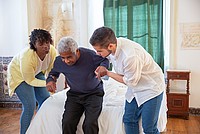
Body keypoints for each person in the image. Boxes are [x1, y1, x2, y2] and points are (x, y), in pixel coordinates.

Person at [89, 26, 165, 134]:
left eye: (99, 51)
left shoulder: (130, 56)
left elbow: (130, 82)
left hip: (151, 87)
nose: (98, 53)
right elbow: (106, 58)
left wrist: (108, 73)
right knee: (129, 120)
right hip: (135, 86)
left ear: (110, 46)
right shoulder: (113, 47)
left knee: (149, 128)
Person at [46, 36, 109, 134]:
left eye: (69, 57)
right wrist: (50, 80)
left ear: (77, 51)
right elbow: (53, 73)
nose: (66, 61)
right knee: (67, 122)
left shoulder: (90, 56)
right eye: (63, 58)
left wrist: (102, 67)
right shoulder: (59, 61)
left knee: (89, 123)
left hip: (94, 94)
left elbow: (104, 60)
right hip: (74, 95)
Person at [7, 29, 57, 134]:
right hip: (18, 75)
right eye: (41, 44)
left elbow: (52, 71)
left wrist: (51, 81)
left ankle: (37, 128)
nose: (46, 46)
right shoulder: (27, 57)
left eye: (47, 42)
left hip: (36, 71)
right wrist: (47, 84)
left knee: (45, 101)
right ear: (34, 44)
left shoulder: (52, 51)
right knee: (30, 105)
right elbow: (29, 80)